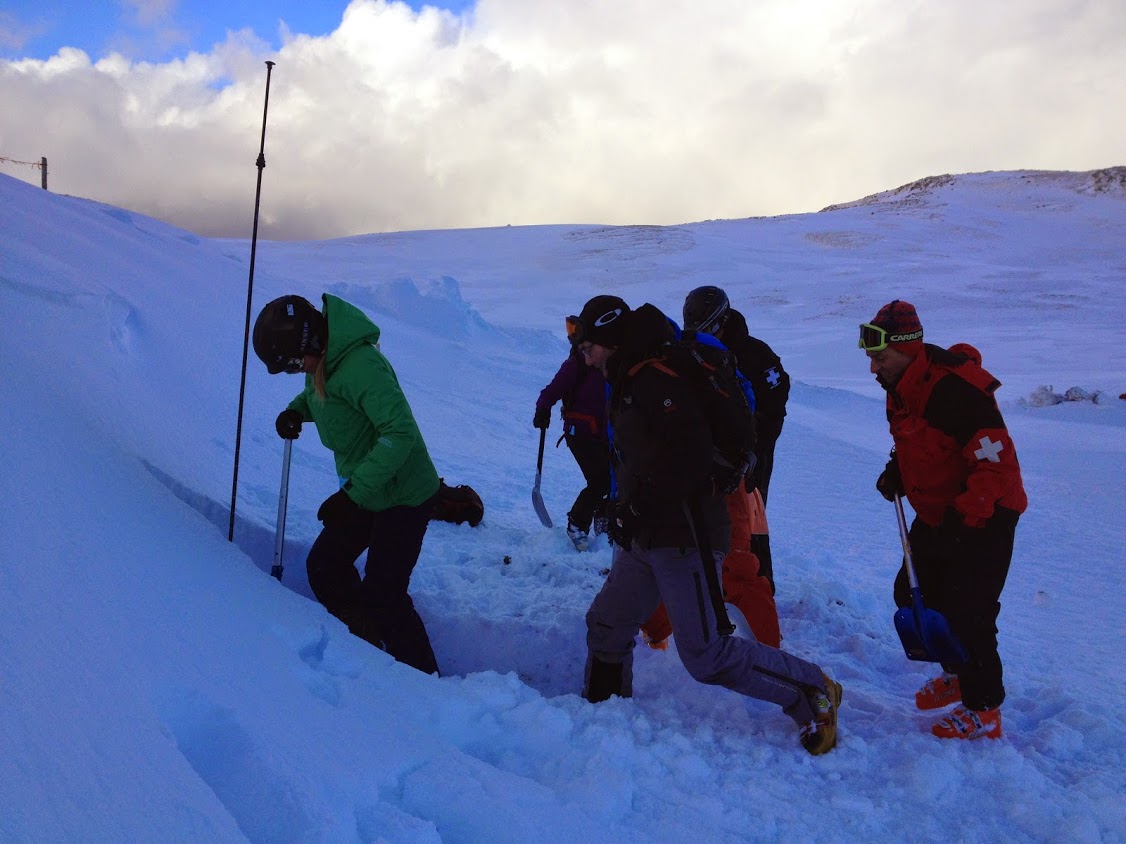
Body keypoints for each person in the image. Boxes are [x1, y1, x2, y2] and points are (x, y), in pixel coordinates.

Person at [572, 294, 841, 756]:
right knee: (607, 624)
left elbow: (689, 461)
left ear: (611, 339)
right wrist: (625, 508)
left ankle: (812, 689)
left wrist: (638, 505)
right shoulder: (632, 373)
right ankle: (604, 722)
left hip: (686, 533)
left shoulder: (656, 378)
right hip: (648, 531)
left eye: (588, 347)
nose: (584, 358)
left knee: (705, 654)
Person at [860, 300, 1027, 740]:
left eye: (881, 358)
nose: (873, 369)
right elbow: (918, 441)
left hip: (986, 512)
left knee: (970, 612)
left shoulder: (957, 392)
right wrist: (899, 468)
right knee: (914, 595)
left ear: (908, 349)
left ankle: (983, 708)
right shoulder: (901, 389)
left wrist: (965, 520)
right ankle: (959, 671)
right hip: (939, 511)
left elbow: (997, 464)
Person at [252, 293, 441, 675]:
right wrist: (296, 410)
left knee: (384, 594)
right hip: (368, 491)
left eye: (292, 364)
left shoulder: (360, 366)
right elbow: (319, 394)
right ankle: (367, 642)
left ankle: (427, 683)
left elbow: (399, 433)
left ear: (308, 343)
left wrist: (352, 496)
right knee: (325, 565)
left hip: (404, 494)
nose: (296, 372)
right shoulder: (324, 362)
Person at [682, 286, 789, 505]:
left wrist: (752, 453)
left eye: (708, 329)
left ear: (722, 320)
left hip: (749, 457)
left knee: (749, 523)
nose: (702, 336)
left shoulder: (758, 357)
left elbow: (774, 410)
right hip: (702, 458)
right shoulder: (688, 352)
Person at [533, 347, 611, 549]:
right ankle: (576, 524)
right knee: (600, 480)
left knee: (615, 478)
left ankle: (604, 523)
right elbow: (550, 391)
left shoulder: (609, 364)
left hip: (604, 434)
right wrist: (543, 409)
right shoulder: (576, 365)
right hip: (580, 433)